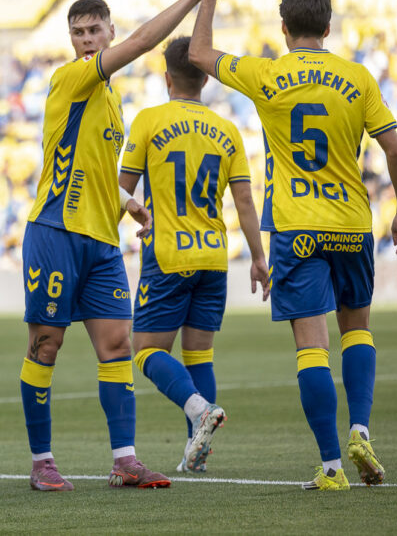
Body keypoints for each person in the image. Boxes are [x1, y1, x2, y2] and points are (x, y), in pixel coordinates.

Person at [188, 0, 397, 490]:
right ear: (328, 28)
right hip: (352, 224)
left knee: (312, 347)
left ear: (284, 29)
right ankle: (361, 429)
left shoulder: (267, 74)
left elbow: (198, 54)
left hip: (297, 229)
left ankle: (332, 466)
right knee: (357, 330)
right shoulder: (358, 77)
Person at [18, 0, 236, 493]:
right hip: (55, 233)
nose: (87, 40)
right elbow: (141, 44)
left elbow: (92, 167)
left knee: (118, 346)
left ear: (107, 29)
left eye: (95, 30)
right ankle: (42, 461)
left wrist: (127, 203)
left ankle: (125, 460)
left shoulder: (111, 100)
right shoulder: (72, 78)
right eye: (78, 33)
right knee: (46, 346)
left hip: (101, 240)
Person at [119, 36, 269, 475]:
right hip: (214, 257)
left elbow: (122, 189)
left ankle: (199, 409)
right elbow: (245, 201)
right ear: (205, 79)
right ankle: (195, 450)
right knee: (199, 353)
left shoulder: (149, 121)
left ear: (166, 78)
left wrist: (120, 221)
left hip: (168, 255)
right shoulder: (227, 130)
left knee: (145, 351)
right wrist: (259, 258)